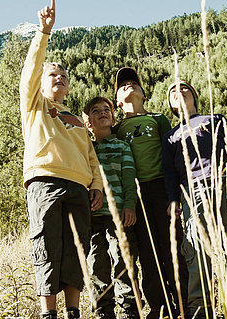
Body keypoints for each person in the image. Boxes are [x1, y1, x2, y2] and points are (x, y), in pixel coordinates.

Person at [20, 0, 104, 319]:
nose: (59, 77)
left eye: (63, 75)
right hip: (44, 182)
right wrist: (43, 33)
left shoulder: (78, 122)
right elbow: (30, 73)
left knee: (76, 251)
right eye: (52, 74)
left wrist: (95, 184)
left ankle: (73, 312)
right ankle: (48, 313)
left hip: (79, 189)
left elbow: (91, 157)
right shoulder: (35, 106)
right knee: (47, 246)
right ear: (42, 83)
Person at [161, 80, 227, 319]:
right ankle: (200, 309)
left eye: (185, 87)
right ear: (171, 104)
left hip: (225, 182)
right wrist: (173, 199)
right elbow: (168, 171)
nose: (179, 91)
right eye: (172, 91)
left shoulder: (215, 119)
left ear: (195, 96)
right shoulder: (171, 136)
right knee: (196, 247)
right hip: (192, 190)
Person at [114, 67, 188, 319]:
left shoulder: (157, 120)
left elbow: (170, 156)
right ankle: (159, 306)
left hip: (160, 186)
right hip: (134, 194)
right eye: (122, 85)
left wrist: (174, 194)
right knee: (147, 251)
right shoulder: (116, 129)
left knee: (172, 245)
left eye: (133, 83)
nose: (128, 85)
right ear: (117, 101)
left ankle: (184, 301)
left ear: (144, 95)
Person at [82, 96, 139, 319]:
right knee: (97, 265)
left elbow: (129, 178)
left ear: (113, 117)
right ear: (88, 123)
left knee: (124, 262)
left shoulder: (122, 146)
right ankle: (103, 311)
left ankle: (130, 310)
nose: (103, 113)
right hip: (94, 217)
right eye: (96, 111)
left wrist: (130, 206)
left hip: (120, 217)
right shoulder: (85, 149)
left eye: (107, 109)